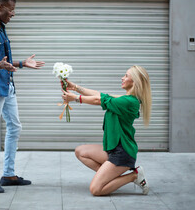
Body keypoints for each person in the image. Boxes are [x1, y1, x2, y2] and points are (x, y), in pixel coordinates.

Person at [0, 0, 45, 193]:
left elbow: (2, 62)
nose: (13, 14)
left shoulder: (0, 28)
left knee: (14, 126)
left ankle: (8, 174)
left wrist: (21, 63)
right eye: (10, 10)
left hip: (7, 85)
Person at [61, 65, 152, 196]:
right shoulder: (123, 99)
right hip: (114, 149)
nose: (122, 77)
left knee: (95, 190)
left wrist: (75, 98)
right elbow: (100, 95)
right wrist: (75, 87)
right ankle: (110, 178)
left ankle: (134, 176)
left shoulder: (129, 102)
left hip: (123, 154)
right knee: (80, 151)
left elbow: (98, 100)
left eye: (126, 75)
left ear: (135, 81)